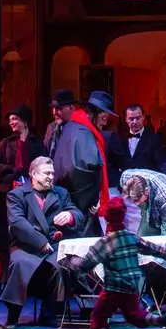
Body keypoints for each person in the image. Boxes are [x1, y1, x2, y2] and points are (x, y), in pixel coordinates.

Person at [73, 196, 166, 329]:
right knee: (135, 317)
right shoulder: (131, 237)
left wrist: (73, 262)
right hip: (132, 286)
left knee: (98, 316)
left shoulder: (105, 242)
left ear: (106, 218)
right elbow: (153, 249)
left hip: (114, 288)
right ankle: (165, 320)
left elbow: (86, 264)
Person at [0, 156, 84, 327]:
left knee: (61, 265)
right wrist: (40, 242)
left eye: (52, 173)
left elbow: (78, 214)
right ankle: (13, 314)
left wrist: (70, 216)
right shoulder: (17, 195)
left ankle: (49, 312)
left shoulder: (61, 193)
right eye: (46, 173)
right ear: (33, 174)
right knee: (20, 264)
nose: (51, 177)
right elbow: (17, 223)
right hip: (26, 245)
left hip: (54, 245)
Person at [53, 90, 113, 232]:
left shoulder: (73, 126)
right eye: (103, 116)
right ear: (92, 113)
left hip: (70, 199)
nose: (105, 121)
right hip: (80, 206)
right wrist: (93, 199)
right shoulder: (82, 131)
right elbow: (82, 169)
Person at [118, 169, 166, 236]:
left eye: (137, 200)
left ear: (146, 191)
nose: (135, 203)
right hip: (150, 206)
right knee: (143, 241)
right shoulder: (126, 176)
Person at [117, 104, 163, 173]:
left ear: (143, 117)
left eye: (138, 118)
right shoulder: (120, 139)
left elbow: (161, 163)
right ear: (126, 119)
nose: (135, 122)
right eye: (131, 119)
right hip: (126, 179)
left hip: (147, 178)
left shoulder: (154, 139)